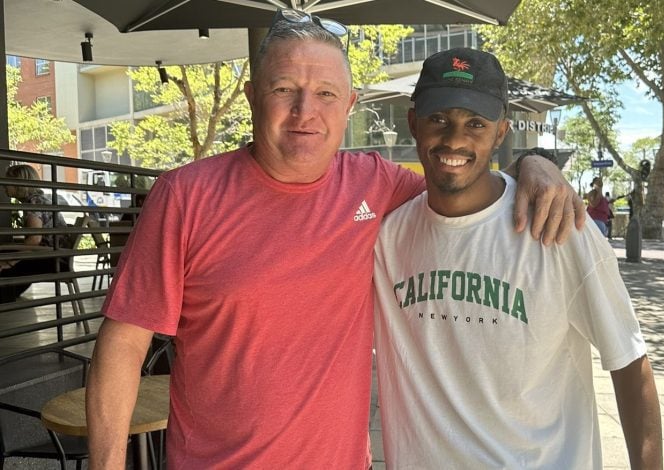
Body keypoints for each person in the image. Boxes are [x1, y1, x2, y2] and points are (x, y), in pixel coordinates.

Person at [85, 10, 585, 469]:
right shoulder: (186, 196)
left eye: (326, 93)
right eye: (284, 89)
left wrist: (533, 165)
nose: (306, 111)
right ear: (253, 96)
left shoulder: (375, 184)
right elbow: (123, 346)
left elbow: (461, 183)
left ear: (348, 105)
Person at [373, 48, 662, 469]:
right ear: (413, 122)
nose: (455, 139)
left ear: (501, 132)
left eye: (475, 123)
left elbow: (630, 362)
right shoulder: (385, 239)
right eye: (439, 119)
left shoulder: (560, 228)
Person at [0, 164, 69, 302]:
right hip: (56, 255)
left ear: (19, 183)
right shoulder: (38, 199)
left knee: (6, 267)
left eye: (7, 182)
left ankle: (6, 300)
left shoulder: (33, 202)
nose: (4, 186)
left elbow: (34, 240)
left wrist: (10, 261)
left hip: (53, 258)